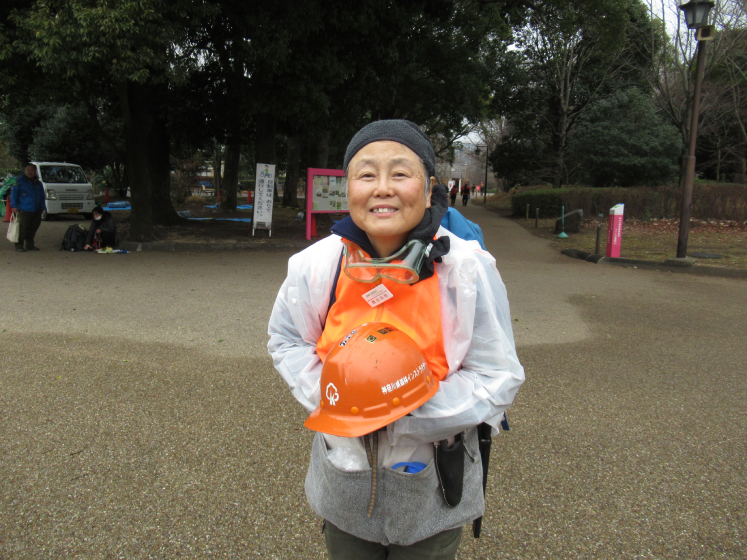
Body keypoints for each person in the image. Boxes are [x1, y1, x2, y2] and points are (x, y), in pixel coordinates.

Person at [268, 119, 524, 559]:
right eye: (366, 174)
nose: (382, 188)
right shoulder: (315, 266)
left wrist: (397, 409)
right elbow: (287, 341)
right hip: (344, 473)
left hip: (432, 481)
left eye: (401, 173)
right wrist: (342, 400)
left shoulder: (467, 269)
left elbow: (496, 374)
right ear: (348, 188)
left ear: (428, 191)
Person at [10, 163, 46, 252]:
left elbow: (42, 196)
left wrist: (42, 207)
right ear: (25, 171)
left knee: (33, 228)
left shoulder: (39, 183)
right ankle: (18, 245)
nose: (30, 172)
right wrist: (14, 205)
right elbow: (14, 194)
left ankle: (30, 245)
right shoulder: (18, 181)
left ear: (35, 171)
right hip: (24, 208)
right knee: (23, 228)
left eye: (32, 170)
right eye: (28, 170)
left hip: (37, 209)